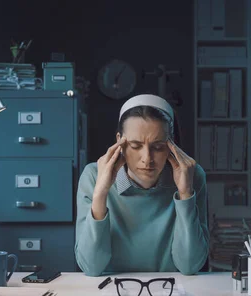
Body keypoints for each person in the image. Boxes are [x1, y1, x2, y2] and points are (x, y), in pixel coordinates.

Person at [75, 94, 209, 276]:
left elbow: (190, 266)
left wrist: (185, 194)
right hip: (110, 293)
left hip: (171, 292)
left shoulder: (192, 176)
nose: (147, 159)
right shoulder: (93, 176)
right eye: (136, 146)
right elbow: (91, 267)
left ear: (172, 146)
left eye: (158, 146)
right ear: (119, 142)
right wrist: (100, 193)